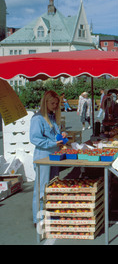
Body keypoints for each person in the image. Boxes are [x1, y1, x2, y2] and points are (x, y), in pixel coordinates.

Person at [30, 91, 66, 226]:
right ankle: (38, 218)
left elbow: (53, 134)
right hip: (43, 156)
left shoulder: (51, 117)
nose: (55, 106)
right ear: (45, 102)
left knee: (52, 186)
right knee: (41, 187)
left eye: (56, 104)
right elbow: (35, 138)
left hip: (53, 155)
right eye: (52, 103)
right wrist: (52, 143)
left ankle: (50, 215)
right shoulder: (37, 118)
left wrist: (61, 135)